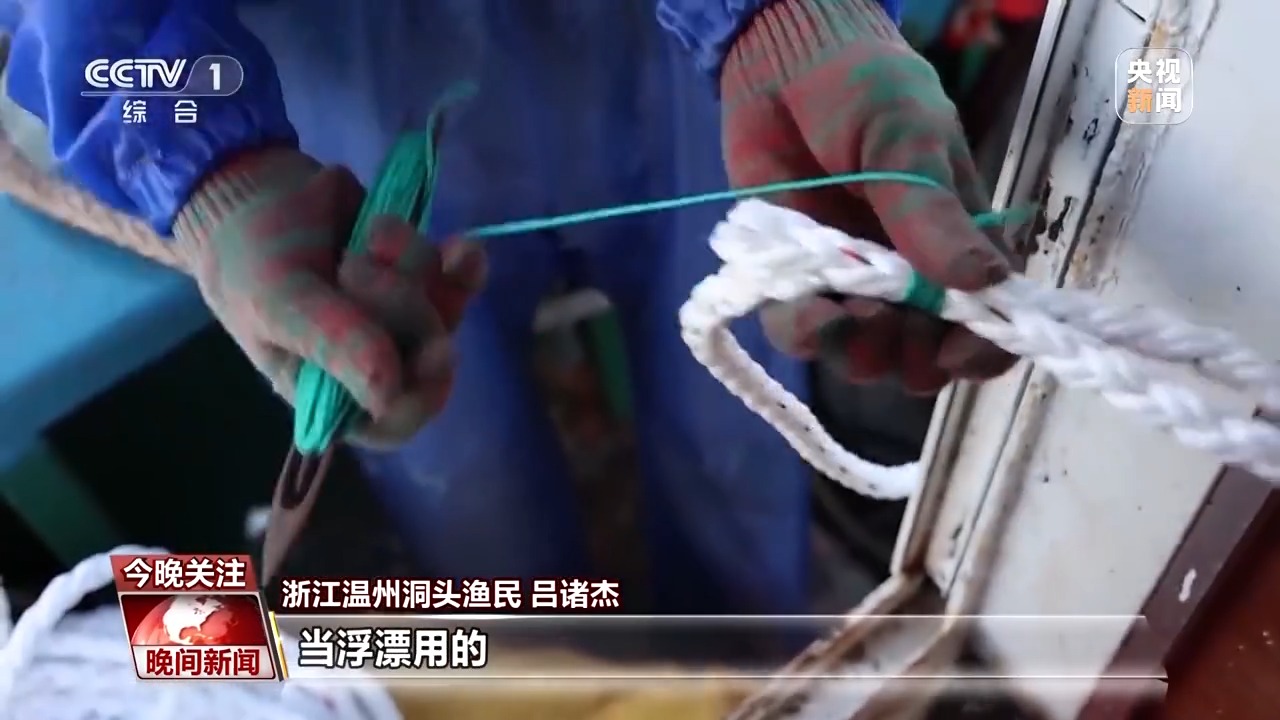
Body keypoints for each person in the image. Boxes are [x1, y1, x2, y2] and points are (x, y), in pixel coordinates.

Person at [2, 0, 1016, 624]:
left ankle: (747, 654)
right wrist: (201, 162)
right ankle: (538, 660)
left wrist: (787, 10)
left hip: (679, 50)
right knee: (447, 448)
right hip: (328, 62)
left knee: (736, 412)